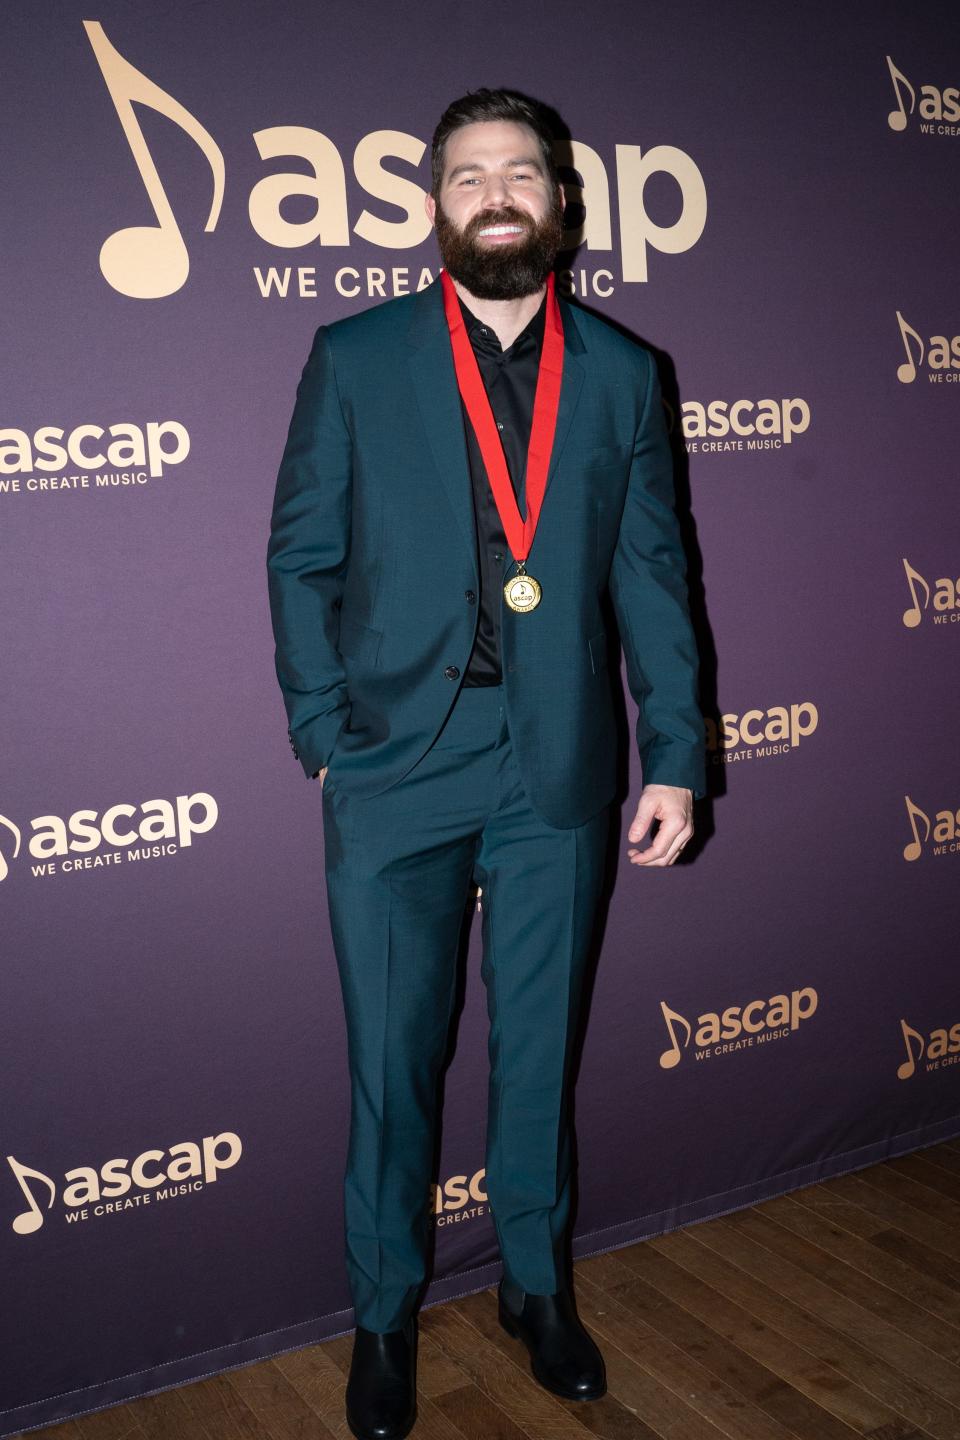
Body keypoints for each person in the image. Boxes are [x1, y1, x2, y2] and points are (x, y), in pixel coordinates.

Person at [267, 87, 705, 1440]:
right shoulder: (357, 355)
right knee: (392, 1066)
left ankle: (534, 1287)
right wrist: (326, 738)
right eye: (470, 176)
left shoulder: (626, 372)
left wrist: (677, 754)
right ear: (435, 204)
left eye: (524, 173)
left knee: (538, 1059)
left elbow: (655, 580)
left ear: (562, 203)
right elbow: (300, 558)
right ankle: (384, 1312)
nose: (499, 194)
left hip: (557, 776)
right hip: (396, 770)